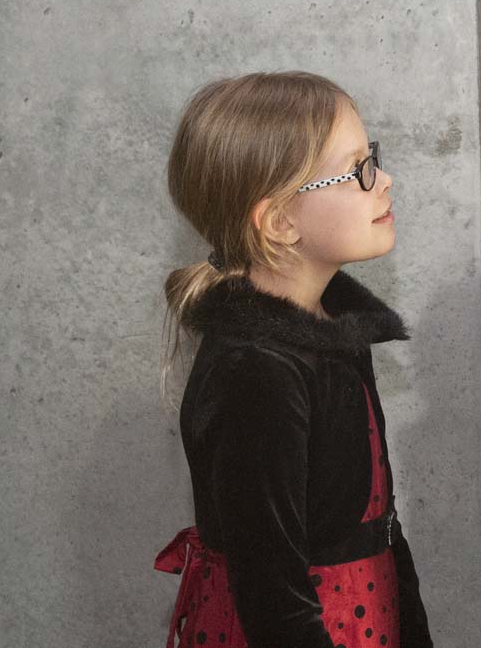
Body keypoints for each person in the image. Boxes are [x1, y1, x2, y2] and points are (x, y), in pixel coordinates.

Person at [153, 71, 432, 648]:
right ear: (279, 222)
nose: (383, 181)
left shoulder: (334, 333)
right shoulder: (256, 372)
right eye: (358, 171)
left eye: (371, 158)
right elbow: (271, 596)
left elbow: (380, 532)